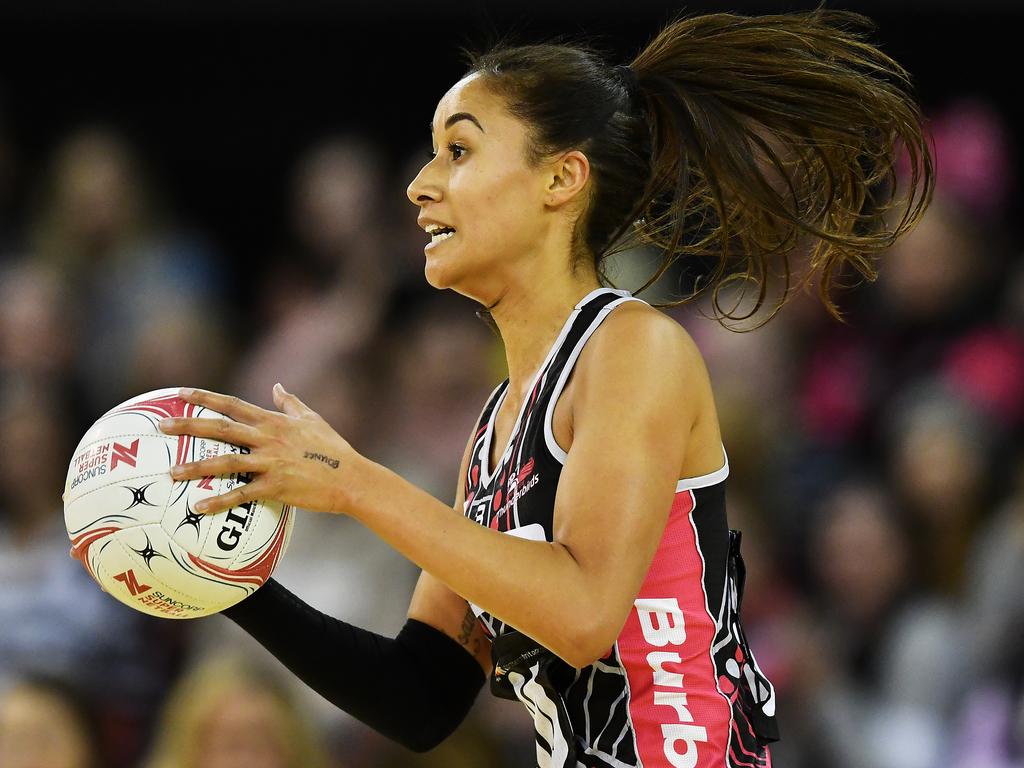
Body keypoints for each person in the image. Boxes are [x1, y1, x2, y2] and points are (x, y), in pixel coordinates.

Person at [153, 10, 932, 767]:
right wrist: (217, 581)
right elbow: (420, 698)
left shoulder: (633, 348)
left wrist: (354, 483)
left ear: (562, 178)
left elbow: (585, 613)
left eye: (458, 150)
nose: (421, 186)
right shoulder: (496, 428)